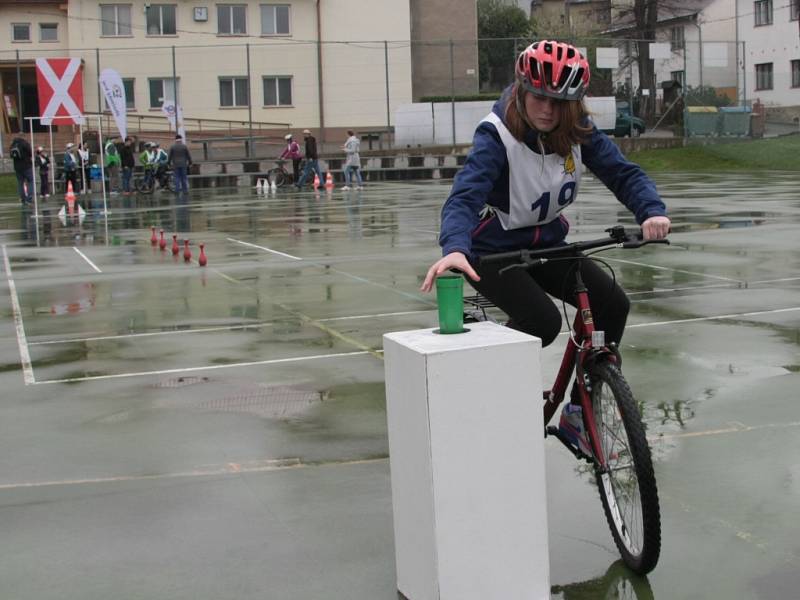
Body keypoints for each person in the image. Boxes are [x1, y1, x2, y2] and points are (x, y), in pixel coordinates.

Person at [420, 40, 670, 454]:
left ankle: (577, 413)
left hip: (548, 244)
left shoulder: (576, 131)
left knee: (612, 304)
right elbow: (464, 197)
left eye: (561, 101)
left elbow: (623, 173)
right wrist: (455, 246)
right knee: (542, 322)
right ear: (521, 88)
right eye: (540, 97)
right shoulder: (496, 135)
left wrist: (650, 211)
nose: (548, 110)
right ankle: (487, 382)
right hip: (492, 253)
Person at [9, 136, 33, 205]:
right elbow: (30, 153)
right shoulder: (25, 144)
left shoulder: (13, 145)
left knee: (20, 183)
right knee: (30, 181)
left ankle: (23, 199)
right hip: (26, 166)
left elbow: (11, 156)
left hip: (17, 168)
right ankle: (29, 198)